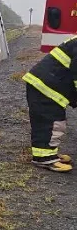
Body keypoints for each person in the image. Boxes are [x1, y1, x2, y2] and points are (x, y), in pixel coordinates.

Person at [22, 36, 77, 172]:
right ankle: (44, 158)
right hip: (46, 87)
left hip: (48, 84)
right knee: (50, 122)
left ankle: (49, 152)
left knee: (51, 121)